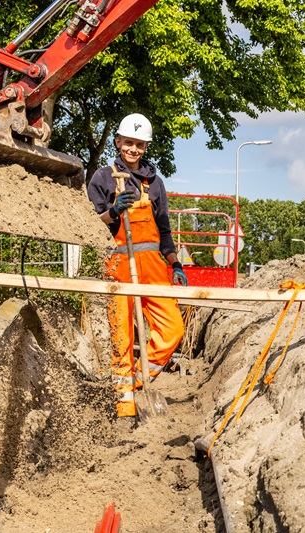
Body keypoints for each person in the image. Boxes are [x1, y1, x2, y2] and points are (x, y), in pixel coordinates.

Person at [87, 113, 187, 419]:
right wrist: (114, 212)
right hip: (118, 263)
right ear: (118, 142)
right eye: (128, 142)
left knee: (172, 329)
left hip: (153, 267)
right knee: (122, 339)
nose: (133, 149)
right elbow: (89, 225)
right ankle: (125, 406)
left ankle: (139, 380)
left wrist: (175, 263)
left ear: (145, 147)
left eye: (139, 144)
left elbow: (165, 229)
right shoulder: (103, 178)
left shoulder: (155, 183)